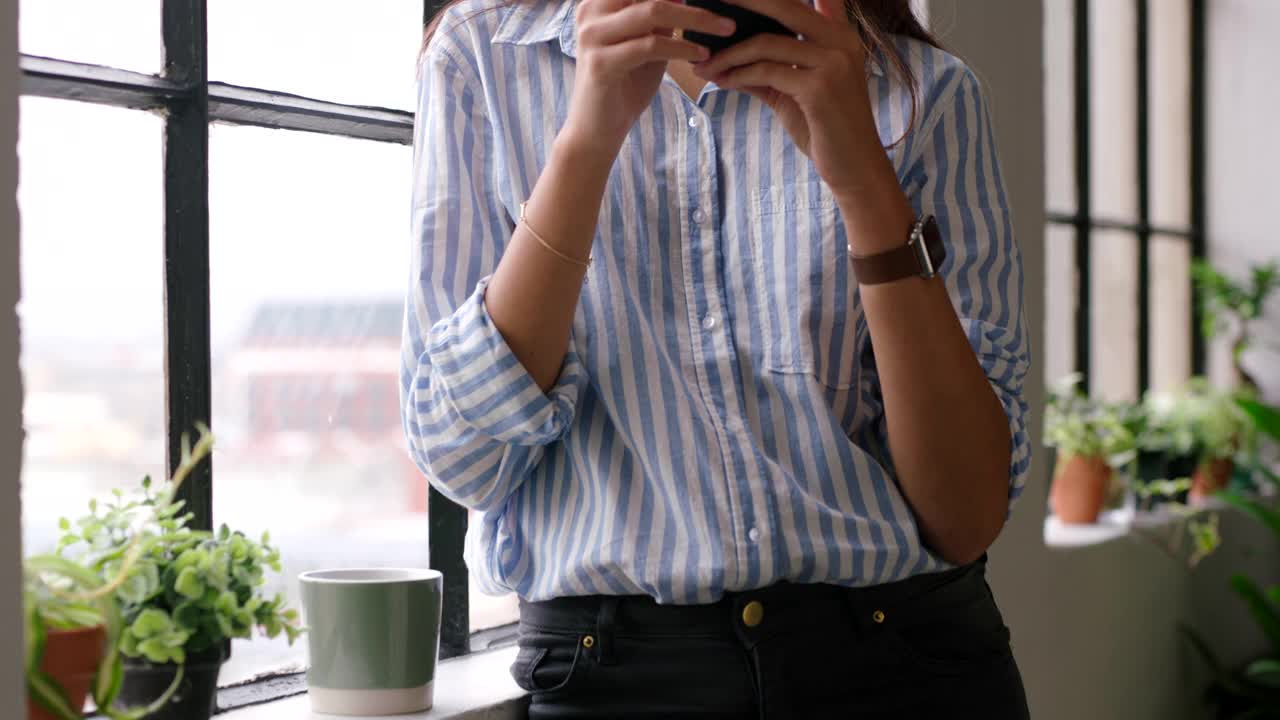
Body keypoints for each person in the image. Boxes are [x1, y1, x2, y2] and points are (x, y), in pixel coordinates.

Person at [401, 0, 1031, 715]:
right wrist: (584, 143)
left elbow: (966, 514)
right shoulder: (481, 59)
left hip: (912, 667)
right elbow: (464, 462)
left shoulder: (924, 91)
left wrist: (865, 185)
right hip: (614, 681)